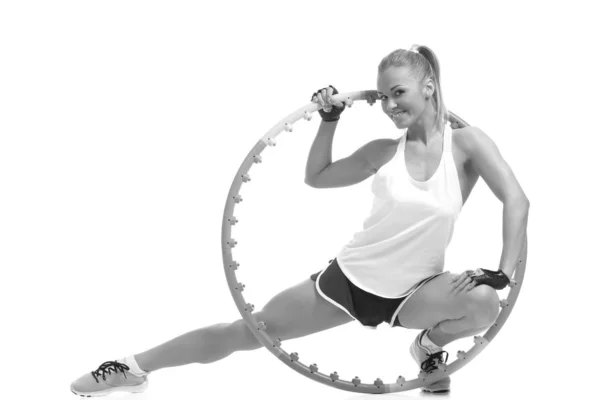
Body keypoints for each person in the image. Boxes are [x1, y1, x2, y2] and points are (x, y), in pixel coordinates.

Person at [70, 45, 529, 396]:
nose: (390, 105)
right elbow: (318, 177)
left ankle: (427, 349)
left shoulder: (467, 145)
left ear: (428, 87)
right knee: (247, 333)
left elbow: (517, 201)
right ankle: (133, 367)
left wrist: (504, 271)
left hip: (416, 293)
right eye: (385, 96)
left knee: (485, 303)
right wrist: (329, 120)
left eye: (399, 93)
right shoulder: (382, 152)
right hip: (348, 281)